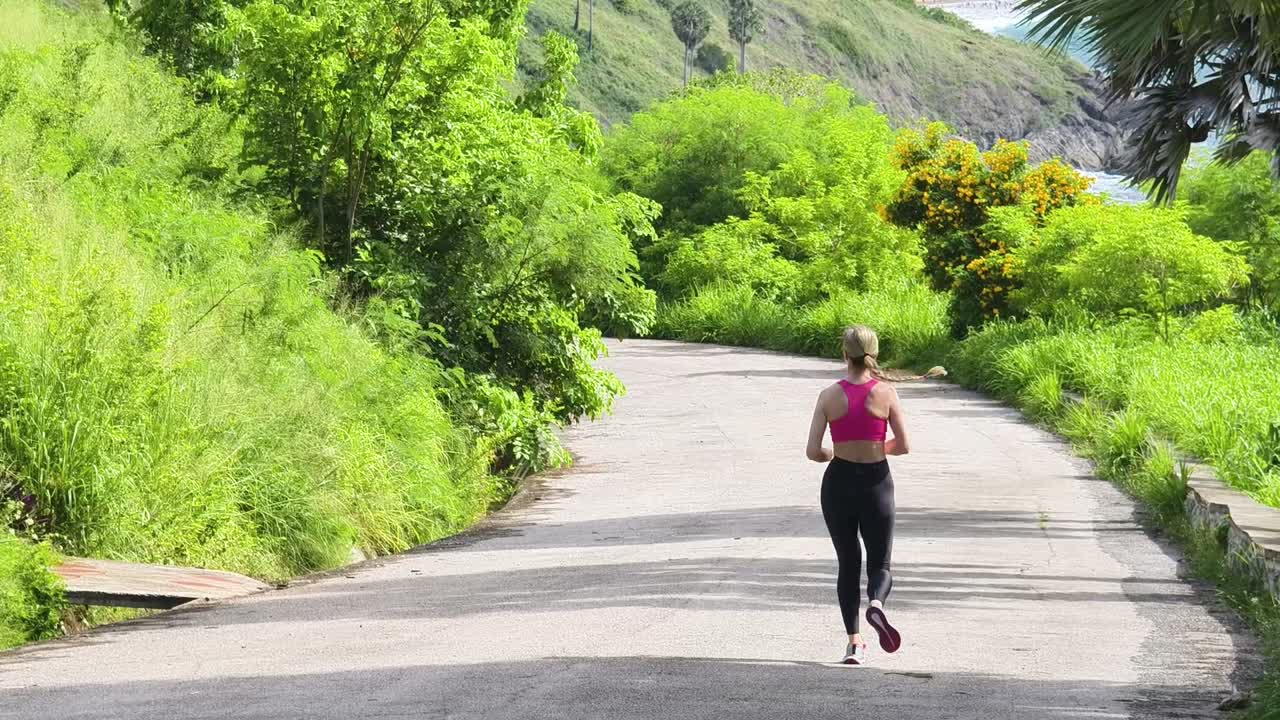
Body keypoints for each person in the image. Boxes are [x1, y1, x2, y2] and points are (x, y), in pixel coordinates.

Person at [805, 325, 910, 665]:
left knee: (849, 563)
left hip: (838, 483)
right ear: (874, 354)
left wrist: (832, 454)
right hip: (877, 481)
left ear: (843, 354)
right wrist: (878, 446)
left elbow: (812, 451)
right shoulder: (887, 393)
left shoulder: (828, 396)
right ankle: (876, 604)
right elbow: (904, 446)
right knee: (880, 563)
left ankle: (854, 644)